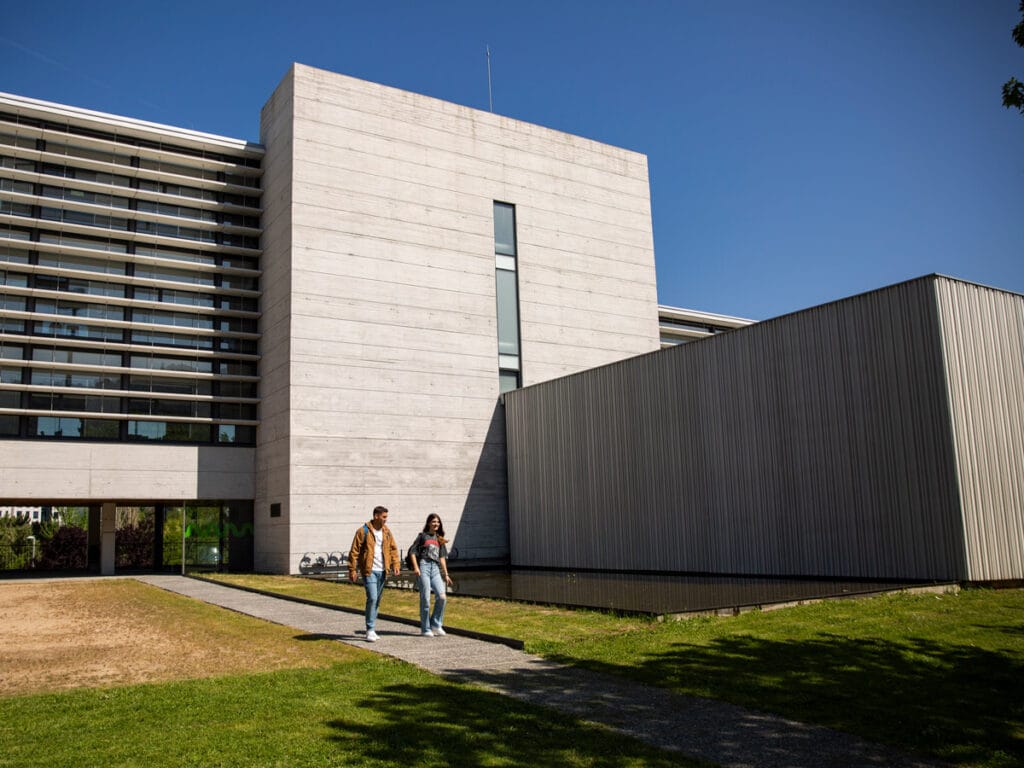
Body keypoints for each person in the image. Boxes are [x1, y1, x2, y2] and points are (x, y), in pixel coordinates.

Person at [348, 505, 400, 642]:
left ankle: (372, 628)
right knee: (372, 597)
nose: (385, 520)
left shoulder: (386, 532)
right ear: (376, 516)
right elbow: (354, 552)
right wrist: (352, 570)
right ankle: (369, 629)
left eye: (386, 517)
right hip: (369, 570)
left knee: (377, 600)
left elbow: (393, 549)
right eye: (384, 517)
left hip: (383, 570)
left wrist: (396, 564)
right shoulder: (363, 531)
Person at [408, 513, 453, 637]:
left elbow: (442, 557)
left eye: (438, 522)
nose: (436, 524)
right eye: (433, 521)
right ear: (428, 523)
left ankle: (436, 624)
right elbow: (412, 552)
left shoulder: (439, 538)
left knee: (442, 596)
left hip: (435, 569)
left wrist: (446, 574)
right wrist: (416, 568)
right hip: (423, 566)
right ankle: (425, 628)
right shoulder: (422, 536)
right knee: (426, 599)